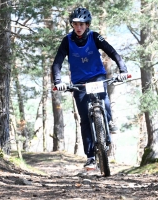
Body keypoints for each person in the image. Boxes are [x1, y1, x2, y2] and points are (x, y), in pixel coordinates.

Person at [51, 7, 128, 169]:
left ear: (87, 25)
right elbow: (57, 62)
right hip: (79, 82)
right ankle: (91, 157)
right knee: (85, 118)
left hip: (97, 76)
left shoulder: (95, 37)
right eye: (75, 24)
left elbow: (112, 52)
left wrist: (123, 70)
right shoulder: (67, 40)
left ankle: (109, 119)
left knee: (102, 96)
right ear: (72, 25)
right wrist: (58, 81)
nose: (78, 27)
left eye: (82, 24)